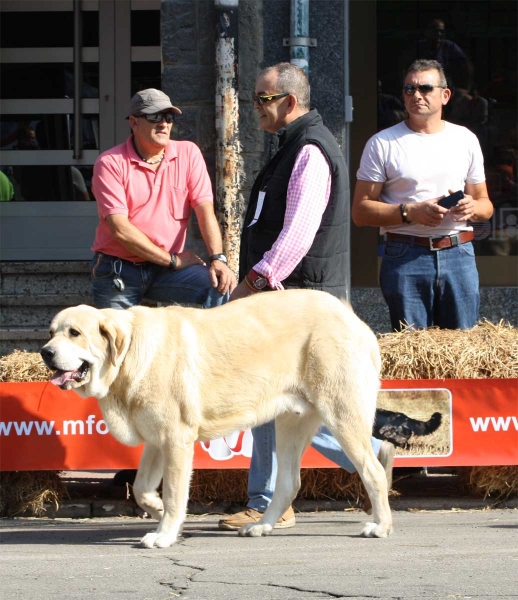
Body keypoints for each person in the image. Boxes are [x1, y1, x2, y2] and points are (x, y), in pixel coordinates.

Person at [218, 62, 395, 531]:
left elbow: (297, 235)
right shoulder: (294, 145)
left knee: (285, 399)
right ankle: (363, 457)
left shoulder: (310, 151)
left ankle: (268, 499)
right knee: (289, 401)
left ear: (288, 102)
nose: (253, 107)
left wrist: (252, 283)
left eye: (261, 99)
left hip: (297, 302)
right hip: (293, 301)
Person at [352, 59, 493, 332]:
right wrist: (409, 212)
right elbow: (360, 211)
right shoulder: (382, 143)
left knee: (462, 350)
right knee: (413, 354)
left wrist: (470, 207)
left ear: (445, 94)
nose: (416, 95)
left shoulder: (465, 139)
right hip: (406, 254)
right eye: (408, 89)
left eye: (425, 88)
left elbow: (486, 205)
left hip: (458, 252)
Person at [90, 88, 236, 311]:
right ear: (134, 122)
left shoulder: (188, 154)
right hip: (119, 268)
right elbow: (120, 229)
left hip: (167, 271)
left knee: (221, 285)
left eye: (168, 117)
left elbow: (205, 211)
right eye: (154, 116)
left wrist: (218, 259)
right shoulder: (110, 163)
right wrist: (173, 260)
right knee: (114, 338)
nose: (163, 124)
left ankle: (210, 346)